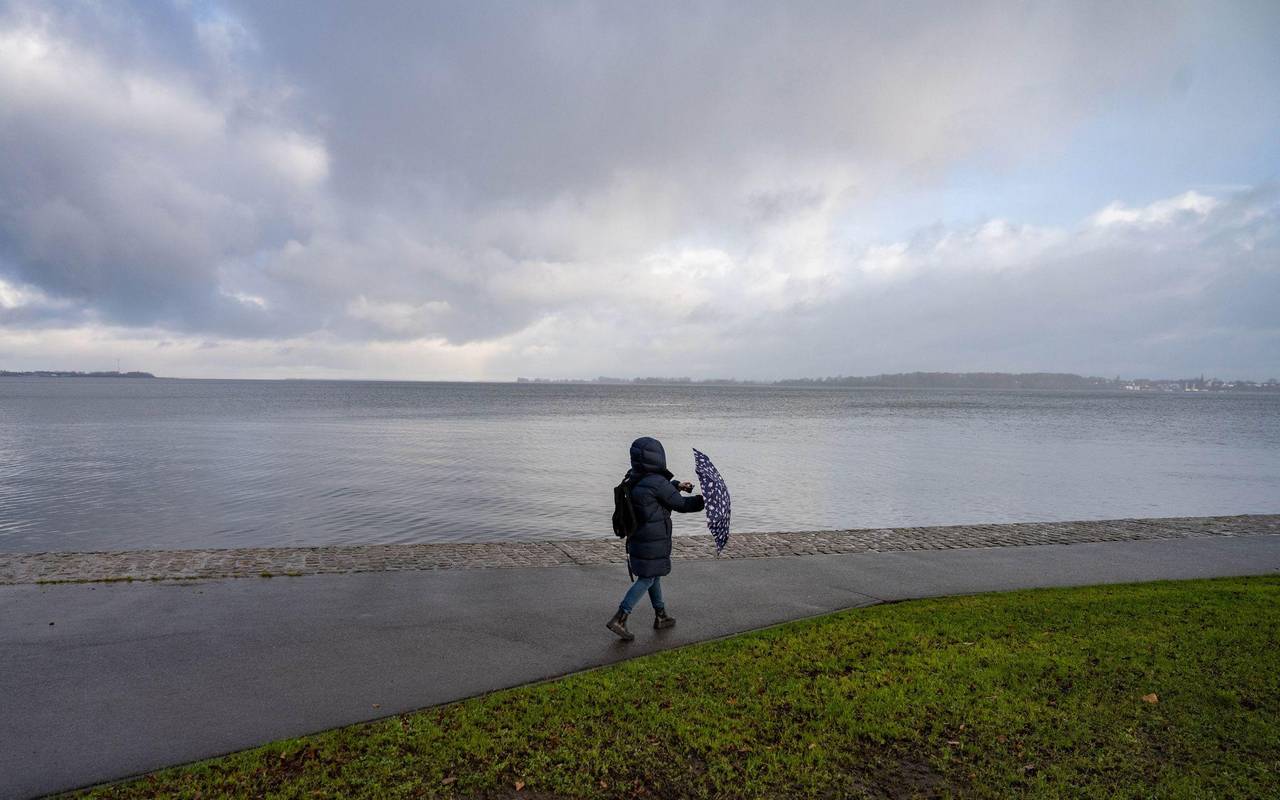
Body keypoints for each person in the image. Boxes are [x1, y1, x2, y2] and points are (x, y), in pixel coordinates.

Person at [607, 436, 705, 641]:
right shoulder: (658, 482)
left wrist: (677, 485)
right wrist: (704, 501)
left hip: (639, 536)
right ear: (658, 457)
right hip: (653, 539)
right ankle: (620, 617)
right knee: (647, 577)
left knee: (654, 573)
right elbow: (681, 505)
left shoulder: (634, 477)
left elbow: (656, 491)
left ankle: (661, 616)